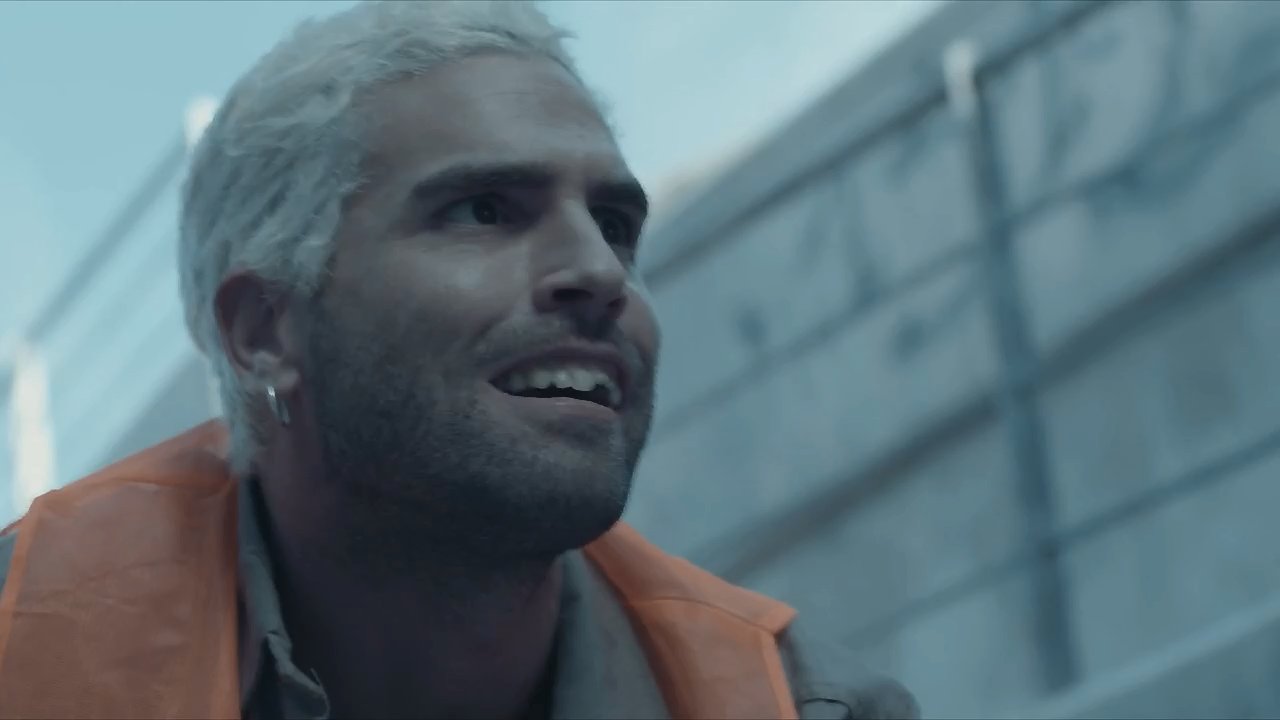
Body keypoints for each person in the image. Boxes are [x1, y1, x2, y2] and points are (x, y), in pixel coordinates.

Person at [0, 2, 918, 718]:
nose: (602, 273)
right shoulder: (21, 651)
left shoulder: (806, 708)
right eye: (485, 210)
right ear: (263, 331)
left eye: (614, 225)